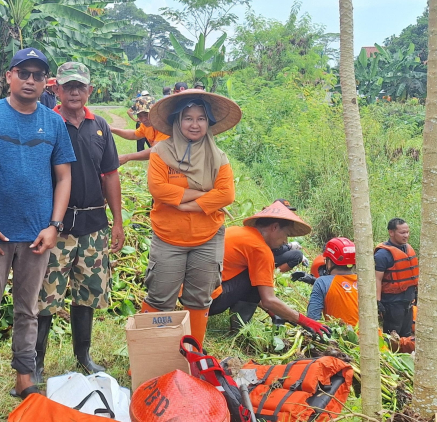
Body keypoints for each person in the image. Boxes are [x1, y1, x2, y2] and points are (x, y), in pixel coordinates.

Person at [0, 47, 75, 418]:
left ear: (46, 82)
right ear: (9, 76)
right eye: (23, 73)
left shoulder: (54, 123)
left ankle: (23, 378)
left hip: (37, 236)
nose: (30, 80)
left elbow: (64, 176)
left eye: (38, 75)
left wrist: (54, 226)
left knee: (29, 309)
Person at [34, 62, 124, 383]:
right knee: (46, 294)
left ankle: (83, 355)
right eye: (68, 86)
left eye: (80, 86)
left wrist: (118, 221)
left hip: (94, 224)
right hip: (56, 225)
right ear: (56, 89)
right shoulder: (45, 123)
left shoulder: (99, 125)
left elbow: (110, 174)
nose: (74, 92)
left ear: (89, 89)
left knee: (88, 291)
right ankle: (36, 361)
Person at [138, 89, 239, 344]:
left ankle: (194, 356)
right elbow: (158, 189)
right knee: (160, 298)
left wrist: (186, 204)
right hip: (168, 238)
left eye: (201, 118)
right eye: (188, 118)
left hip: (208, 238)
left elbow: (226, 195)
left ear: (209, 123)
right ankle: (149, 354)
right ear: (177, 121)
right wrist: (203, 194)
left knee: (199, 299)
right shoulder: (161, 152)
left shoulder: (218, 158)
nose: (195, 124)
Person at [207, 201, 330, 338]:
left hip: (191, 294)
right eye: (286, 234)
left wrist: (275, 313)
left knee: (255, 278)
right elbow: (268, 299)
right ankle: (238, 332)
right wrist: (305, 321)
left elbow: (250, 290)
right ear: (275, 227)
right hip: (208, 302)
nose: (285, 241)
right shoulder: (261, 250)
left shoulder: (237, 230)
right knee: (254, 278)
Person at [375, 218, 418, 337]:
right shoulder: (382, 254)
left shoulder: (408, 248)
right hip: (392, 303)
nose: (406, 235)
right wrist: (377, 302)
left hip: (408, 301)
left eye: (407, 232)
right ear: (391, 232)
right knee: (392, 335)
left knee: (407, 334)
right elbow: (377, 279)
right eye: (402, 233)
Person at [307, 238, 359, 326]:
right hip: (376, 337)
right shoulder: (364, 282)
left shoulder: (321, 282)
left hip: (342, 337)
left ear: (329, 263)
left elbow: (312, 318)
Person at [112, 97, 170, 165]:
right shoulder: (147, 125)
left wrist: (127, 157)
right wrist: (112, 129)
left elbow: (156, 150)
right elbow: (134, 134)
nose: (143, 119)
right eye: (139, 116)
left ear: (154, 112)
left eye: (146, 114)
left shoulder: (164, 125)